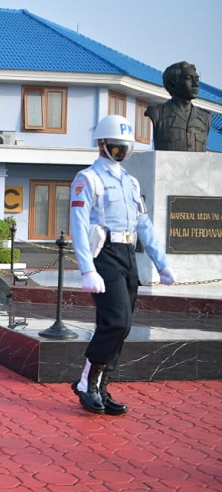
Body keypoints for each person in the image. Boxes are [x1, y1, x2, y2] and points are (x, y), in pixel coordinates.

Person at [69, 114, 176, 415]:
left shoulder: (130, 182)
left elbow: (145, 225)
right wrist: (86, 268)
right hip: (103, 253)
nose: (122, 152)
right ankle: (85, 382)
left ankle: (101, 385)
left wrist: (161, 263)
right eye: (117, 147)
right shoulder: (87, 179)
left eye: (126, 147)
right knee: (116, 321)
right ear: (102, 144)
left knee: (123, 325)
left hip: (127, 254)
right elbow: (78, 225)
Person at [145, 61, 210, 152]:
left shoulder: (205, 117)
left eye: (196, 79)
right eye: (188, 78)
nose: (196, 84)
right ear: (173, 84)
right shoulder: (158, 112)